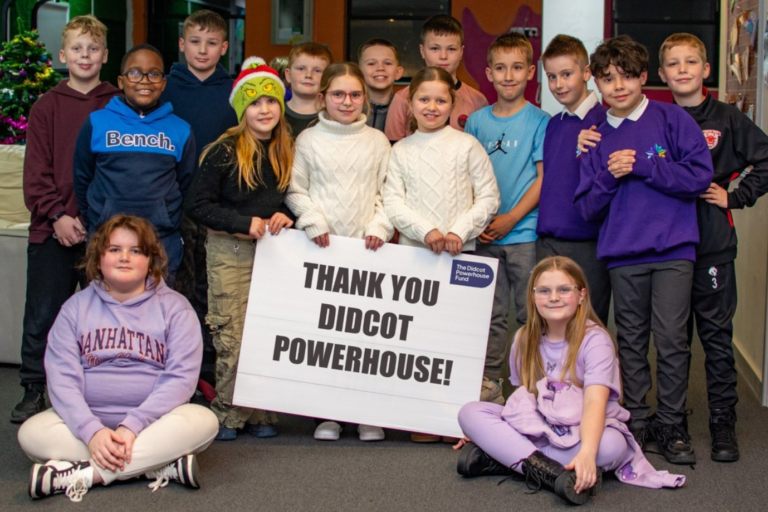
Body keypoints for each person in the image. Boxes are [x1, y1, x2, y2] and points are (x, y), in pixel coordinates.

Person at [573, 35, 713, 465]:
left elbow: (698, 177)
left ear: (643, 77)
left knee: (671, 341)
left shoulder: (672, 120)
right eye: (607, 78)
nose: (618, 86)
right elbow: (586, 209)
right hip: (622, 254)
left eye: (627, 77)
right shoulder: (594, 138)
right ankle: (636, 421)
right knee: (630, 343)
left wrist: (645, 166)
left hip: (673, 252)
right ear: (595, 82)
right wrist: (609, 178)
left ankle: (671, 424)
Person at [17, 215, 218, 502]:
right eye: (114, 250)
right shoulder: (75, 308)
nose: (125, 257)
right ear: (98, 260)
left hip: (154, 423)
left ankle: (85, 474)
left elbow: (181, 379)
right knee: (31, 434)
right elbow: (61, 379)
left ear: (151, 260)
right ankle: (156, 465)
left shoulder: (176, 308)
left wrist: (132, 426)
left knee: (204, 422)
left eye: (136, 251)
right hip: (85, 422)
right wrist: (91, 431)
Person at [456, 257, 685, 506]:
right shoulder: (523, 338)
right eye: (544, 291)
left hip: (586, 427)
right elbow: (523, 399)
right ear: (533, 297)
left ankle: (509, 458)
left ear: (582, 295)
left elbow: (595, 403)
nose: (554, 297)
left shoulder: (596, 340)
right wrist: (487, 429)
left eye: (564, 289)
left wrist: (587, 452)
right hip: (541, 426)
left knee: (612, 446)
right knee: (470, 412)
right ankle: (554, 473)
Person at [658, 33, 768, 462]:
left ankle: (723, 422)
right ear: (662, 74)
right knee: (672, 339)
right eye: (673, 63)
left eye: (691, 62)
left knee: (716, 338)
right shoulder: (658, 119)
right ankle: (673, 421)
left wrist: (735, 196)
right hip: (667, 245)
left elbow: (765, 158)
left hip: (712, 245)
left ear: (706, 70)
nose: (682, 69)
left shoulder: (726, 118)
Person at [383, 66, 500, 442]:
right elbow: (392, 202)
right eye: (424, 99)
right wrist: (426, 231)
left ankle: (457, 418)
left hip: (459, 256)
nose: (432, 106)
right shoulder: (399, 150)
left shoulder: (467, 145)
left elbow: (489, 197)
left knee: (459, 339)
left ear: (452, 103)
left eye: (440, 100)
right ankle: (423, 416)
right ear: (410, 103)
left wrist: (457, 231)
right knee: (418, 340)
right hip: (414, 256)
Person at [13, 15, 120, 423]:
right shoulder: (46, 107)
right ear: (63, 55)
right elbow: (36, 171)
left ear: (105, 56)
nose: (85, 55)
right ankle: (33, 388)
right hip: (51, 230)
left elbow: (118, 168)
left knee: (106, 316)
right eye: (77, 48)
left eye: (93, 49)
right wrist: (57, 215)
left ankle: (102, 388)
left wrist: (100, 223)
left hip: (104, 232)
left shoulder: (118, 103)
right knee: (44, 312)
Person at [185, 57, 294, 441]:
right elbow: (197, 205)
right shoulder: (224, 151)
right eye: (254, 103)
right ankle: (229, 409)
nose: (264, 110)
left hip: (274, 255)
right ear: (241, 109)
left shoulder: (286, 149)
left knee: (267, 332)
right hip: (229, 252)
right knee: (232, 331)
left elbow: (292, 198)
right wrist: (242, 223)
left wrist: (286, 215)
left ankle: (261, 412)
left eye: (271, 101)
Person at [286, 62, 394, 442]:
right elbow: (296, 189)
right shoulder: (309, 141)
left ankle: (367, 413)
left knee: (366, 335)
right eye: (338, 94)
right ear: (322, 98)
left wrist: (380, 225)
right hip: (322, 248)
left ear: (364, 98)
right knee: (326, 334)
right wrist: (312, 220)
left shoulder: (378, 141)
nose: (346, 101)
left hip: (369, 250)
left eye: (354, 94)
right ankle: (328, 413)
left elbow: (389, 192)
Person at [464, 33, 549, 401]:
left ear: (531, 72)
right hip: (483, 236)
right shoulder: (477, 122)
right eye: (501, 68)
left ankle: (533, 383)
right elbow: (465, 176)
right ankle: (489, 380)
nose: (509, 75)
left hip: (524, 234)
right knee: (488, 314)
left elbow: (543, 178)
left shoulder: (540, 120)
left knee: (531, 313)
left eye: (517, 68)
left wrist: (511, 218)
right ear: (489, 73)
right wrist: (478, 222)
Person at [160, 9, 237, 400]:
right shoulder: (164, 89)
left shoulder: (235, 90)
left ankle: (213, 374)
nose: (202, 50)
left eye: (211, 43)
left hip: (222, 208)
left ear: (224, 47)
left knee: (216, 293)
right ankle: (182, 376)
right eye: (194, 42)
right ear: (181, 44)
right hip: (174, 206)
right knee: (180, 290)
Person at [73, 44, 196, 280]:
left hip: (161, 240)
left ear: (163, 83)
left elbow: (187, 183)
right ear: (121, 81)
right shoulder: (97, 123)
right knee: (106, 311)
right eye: (135, 73)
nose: (145, 81)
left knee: (158, 311)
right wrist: (97, 220)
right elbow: (82, 176)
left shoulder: (180, 129)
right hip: (107, 239)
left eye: (154, 74)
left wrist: (170, 220)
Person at [536, 34, 610, 326]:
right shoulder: (554, 124)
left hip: (588, 242)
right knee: (549, 324)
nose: (559, 85)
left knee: (588, 324)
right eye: (552, 77)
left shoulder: (605, 120)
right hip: (548, 240)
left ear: (587, 72)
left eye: (567, 74)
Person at [384, 14, 488, 142]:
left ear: (461, 52)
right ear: (422, 51)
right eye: (435, 48)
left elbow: (482, 149)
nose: (443, 56)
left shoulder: (477, 100)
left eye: (451, 49)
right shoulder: (403, 98)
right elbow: (393, 150)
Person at [283, 42, 333, 137]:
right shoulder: (275, 115)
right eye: (301, 69)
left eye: (317, 71)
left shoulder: (333, 117)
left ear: (328, 78)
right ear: (288, 75)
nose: (309, 75)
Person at [357, 38, 404, 132]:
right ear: (358, 72)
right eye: (371, 63)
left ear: (398, 72)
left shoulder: (406, 110)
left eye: (387, 63)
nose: (380, 68)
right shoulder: (350, 109)